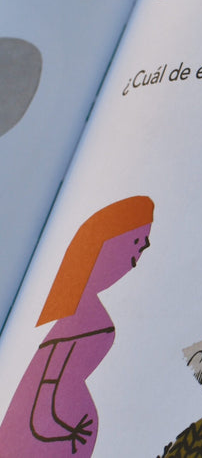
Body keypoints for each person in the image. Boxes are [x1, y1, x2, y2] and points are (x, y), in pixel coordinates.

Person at [0, 195, 154, 457]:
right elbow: (46, 389)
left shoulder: (81, 313)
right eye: (136, 242)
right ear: (104, 244)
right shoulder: (76, 318)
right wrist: (64, 431)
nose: (138, 254)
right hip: (51, 440)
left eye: (143, 245)